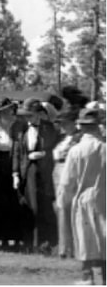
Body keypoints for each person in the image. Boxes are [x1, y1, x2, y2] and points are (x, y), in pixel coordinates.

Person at [57, 108, 105, 285]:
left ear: (82, 127)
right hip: (104, 198)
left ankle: (87, 277)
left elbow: (67, 181)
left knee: (85, 238)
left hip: (83, 199)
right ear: (97, 127)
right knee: (104, 238)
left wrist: (62, 201)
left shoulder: (76, 151)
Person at [14, 97, 60, 252]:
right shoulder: (21, 129)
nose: (28, 118)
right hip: (28, 170)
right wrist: (15, 173)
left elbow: (56, 149)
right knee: (30, 207)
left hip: (45, 171)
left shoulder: (50, 128)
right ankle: (31, 244)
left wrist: (43, 154)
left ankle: (47, 243)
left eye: (31, 115)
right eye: (26, 115)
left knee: (45, 207)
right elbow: (17, 153)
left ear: (39, 114)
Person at [0, 97, 27, 247]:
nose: (4, 113)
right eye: (0, 111)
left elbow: (20, 146)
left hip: (14, 160)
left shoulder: (20, 125)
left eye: (7, 110)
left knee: (13, 199)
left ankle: (15, 237)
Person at [52, 107, 82, 259]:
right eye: (61, 123)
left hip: (68, 172)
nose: (62, 126)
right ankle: (63, 246)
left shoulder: (78, 138)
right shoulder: (61, 138)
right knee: (60, 209)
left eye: (65, 123)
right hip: (57, 171)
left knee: (68, 209)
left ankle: (72, 248)